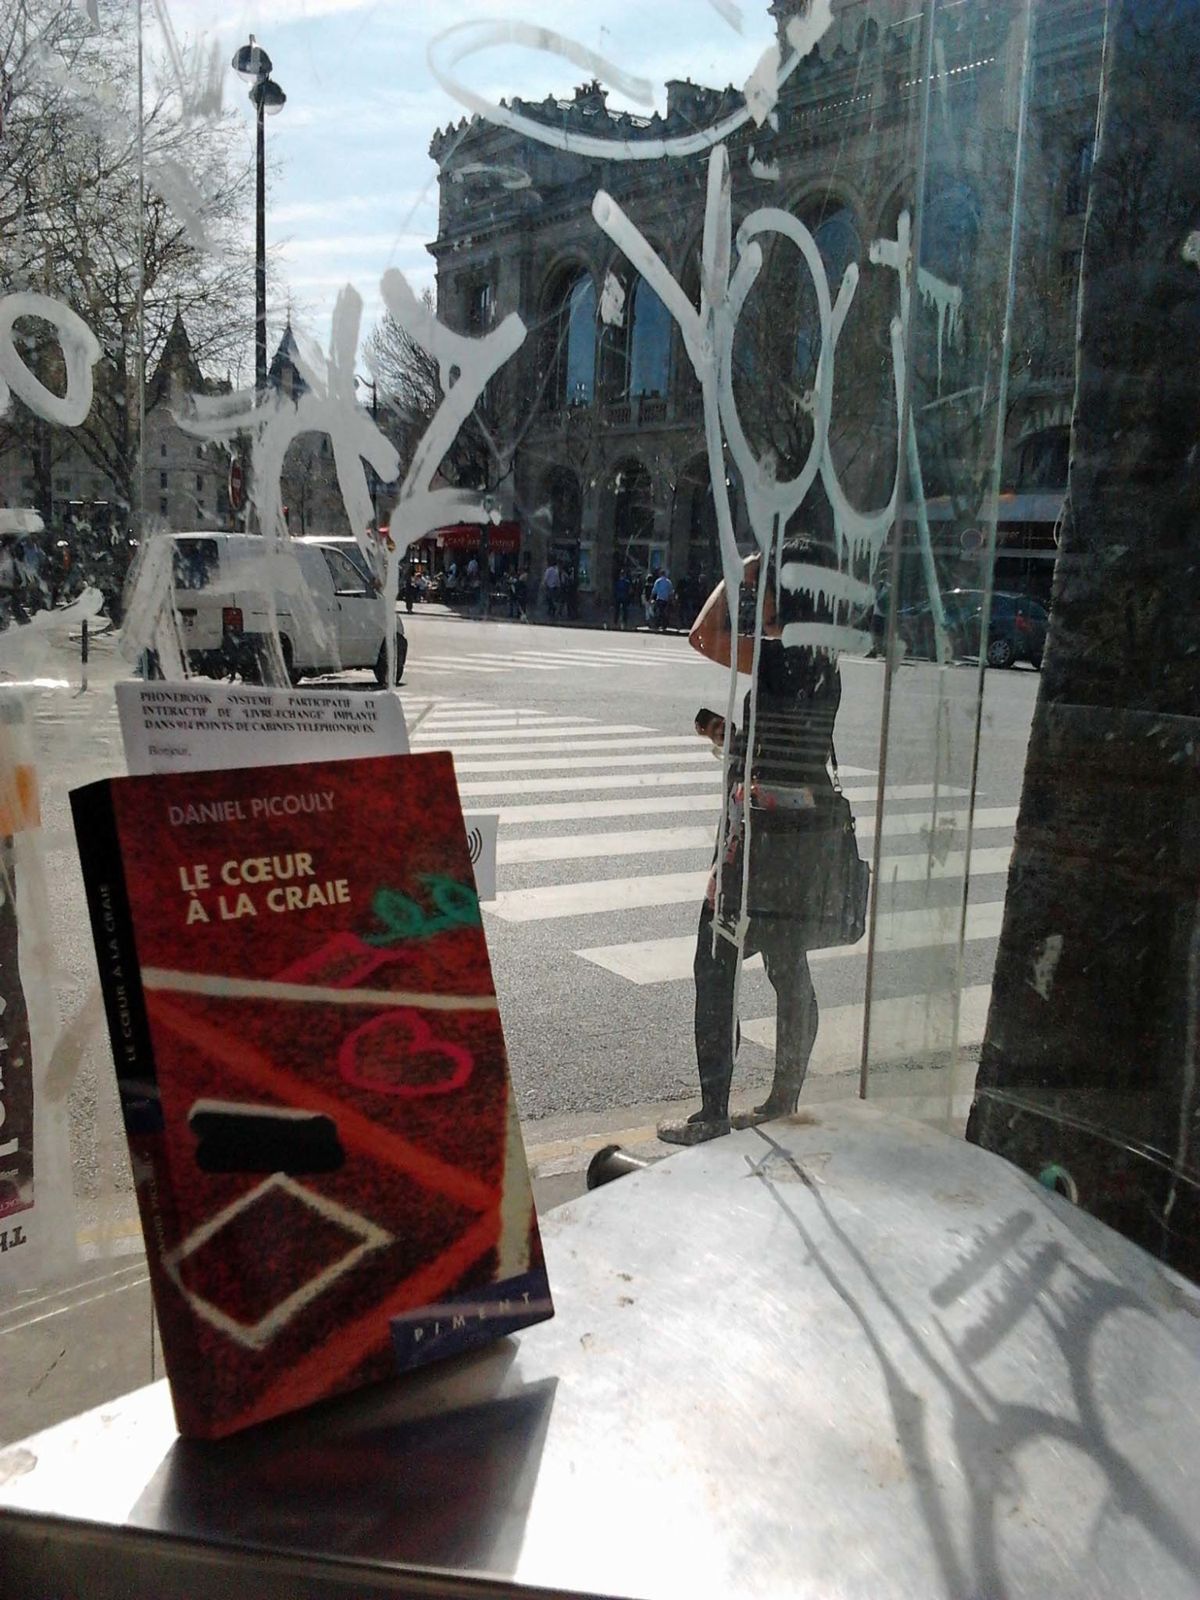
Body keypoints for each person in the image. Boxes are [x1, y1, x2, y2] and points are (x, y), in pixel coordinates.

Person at [658, 538, 842, 1146]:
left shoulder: (779, 654)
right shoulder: (824, 659)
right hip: (803, 838)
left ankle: (713, 1114)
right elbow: (790, 747)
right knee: (789, 966)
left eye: (763, 588)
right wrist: (732, 737)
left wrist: (740, 569)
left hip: (759, 841)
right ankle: (784, 1100)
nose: (754, 598)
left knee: (715, 964)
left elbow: (702, 635)